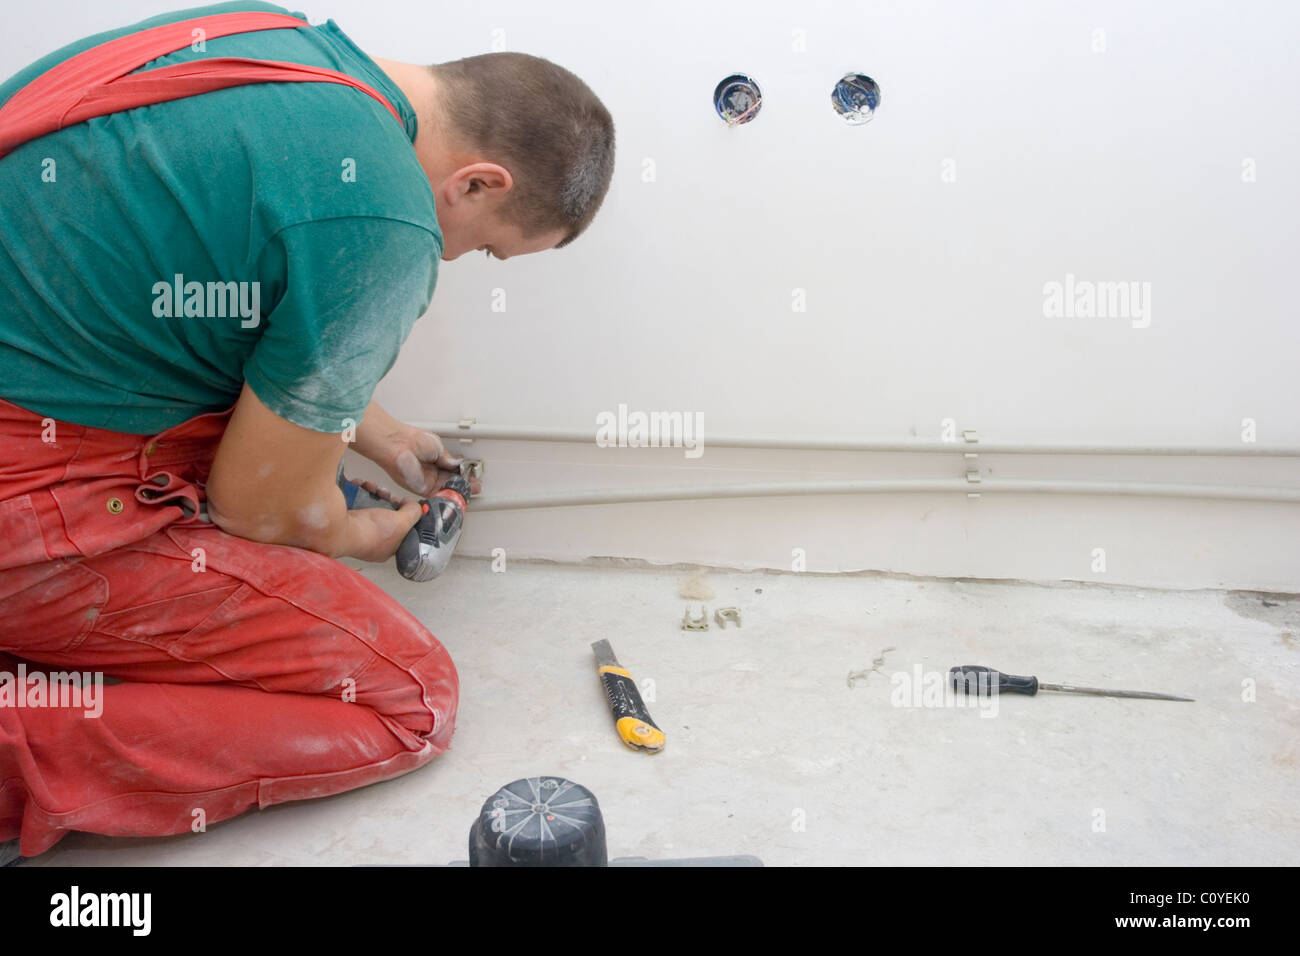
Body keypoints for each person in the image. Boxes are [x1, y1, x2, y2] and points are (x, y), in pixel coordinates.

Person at [0, 0, 615, 863]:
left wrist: (385, 436)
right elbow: (259, 512)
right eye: (483, 249)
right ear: (479, 183)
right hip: (27, 509)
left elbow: (234, 301)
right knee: (404, 697)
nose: (450, 259)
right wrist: (359, 531)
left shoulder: (269, 44)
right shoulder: (387, 218)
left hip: (45, 408)